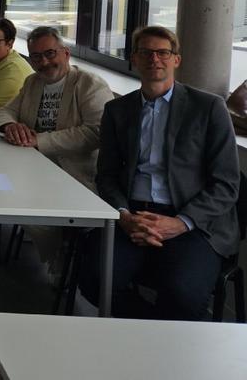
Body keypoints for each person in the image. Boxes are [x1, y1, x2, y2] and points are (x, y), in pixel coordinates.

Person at [79, 26, 240, 320]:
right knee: (94, 281)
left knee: (182, 296)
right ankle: (152, 327)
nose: (155, 59)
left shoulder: (208, 108)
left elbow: (226, 183)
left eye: (163, 52)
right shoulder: (117, 110)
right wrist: (124, 215)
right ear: (134, 60)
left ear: (176, 59)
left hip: (193, 222)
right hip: (134, 216)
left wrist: (181, 222)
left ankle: (162, 336)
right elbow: (107, 175)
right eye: (146, 52)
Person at [0, 26, 114, 272]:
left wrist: (39, 141)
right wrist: (10, 125)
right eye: (36, 57)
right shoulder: (33, 82)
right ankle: (56, 250)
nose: (44, 62)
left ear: (66, 53)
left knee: (23, 205)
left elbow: (97, 132)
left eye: (50, 53)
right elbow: (4, 111)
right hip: (33, 168)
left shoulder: (89, 84)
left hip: (75, 174)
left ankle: (61, 256)